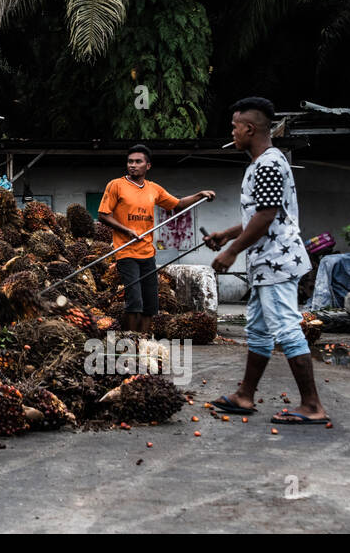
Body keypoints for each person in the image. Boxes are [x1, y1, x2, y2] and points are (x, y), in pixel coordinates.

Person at [204, 97, 328, 425]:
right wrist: (228, 235)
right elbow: (260, 217)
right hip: (265, 262)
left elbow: (267, 216)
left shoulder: (269, 163)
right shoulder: (261, 163)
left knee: (286, 327)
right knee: (258, 329)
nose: (232, 132)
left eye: (234, 127)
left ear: (249, 128)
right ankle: (245, 396)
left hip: (277, 261)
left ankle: (312, 405)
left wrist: (231, 252)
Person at [98, 145, 214, 335]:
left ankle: (144, 342)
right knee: (134, 301)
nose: (133, 165)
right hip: (126, 251)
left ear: (148, 166)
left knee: (150, 303)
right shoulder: (116, 185)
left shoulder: (153, 189)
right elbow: (103, 215)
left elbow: (177, 204)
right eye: (130, 162)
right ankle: (129, 341)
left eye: (138, 162)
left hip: (147, 253)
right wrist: (127, 231)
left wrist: (200, 195)